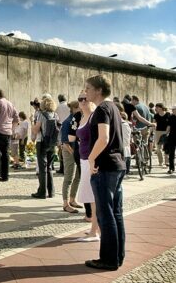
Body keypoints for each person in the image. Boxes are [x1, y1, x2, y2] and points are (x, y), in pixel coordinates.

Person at [85, 75, 126, 271]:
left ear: (98, 90)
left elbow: (104, 138)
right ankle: (117, 255)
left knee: (105, 214)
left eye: (88, 88)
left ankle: (108, 259)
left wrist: (92, 158)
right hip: (117, 165)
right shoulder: (114, 108)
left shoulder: (102, 109)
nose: (86, 92)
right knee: (116, 213)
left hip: (105, 166)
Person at [75, 90, 99, 241]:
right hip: (83, 160)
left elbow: (100, 140)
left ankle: (94, 231)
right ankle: (95, 229)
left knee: (94, 198)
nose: (83, 101)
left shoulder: (94, 117)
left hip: (91, 161)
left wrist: (93, 161)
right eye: (80, 99)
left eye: (85, 98)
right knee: (90, 197)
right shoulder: (83, 117)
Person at [31, 96, 57, 199]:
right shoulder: (55, 114)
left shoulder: (41, 115)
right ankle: (51, 191)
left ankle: (42, 192)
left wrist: (32, 122)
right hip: (52, 143)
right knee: (49, 167)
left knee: (42, 168)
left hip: (41, 142)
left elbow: (36, 130)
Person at [60, 101, 81, 213]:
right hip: (69, 151)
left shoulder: (79, 120)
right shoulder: (67, 122)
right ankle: (65, 203)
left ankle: (72, 199)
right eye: (78, 107)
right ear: (73, 108)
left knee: (78, 176)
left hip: (77, 151)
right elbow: (65, 143)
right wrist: (74, 153)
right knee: (69, 177)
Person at [55, 94, 71, 174]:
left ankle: (62, 168)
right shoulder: (69, 106)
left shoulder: (57, 107)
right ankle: (67, 168)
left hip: (61, 127)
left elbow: (56, 119)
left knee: (61, 148)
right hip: (69, 126)